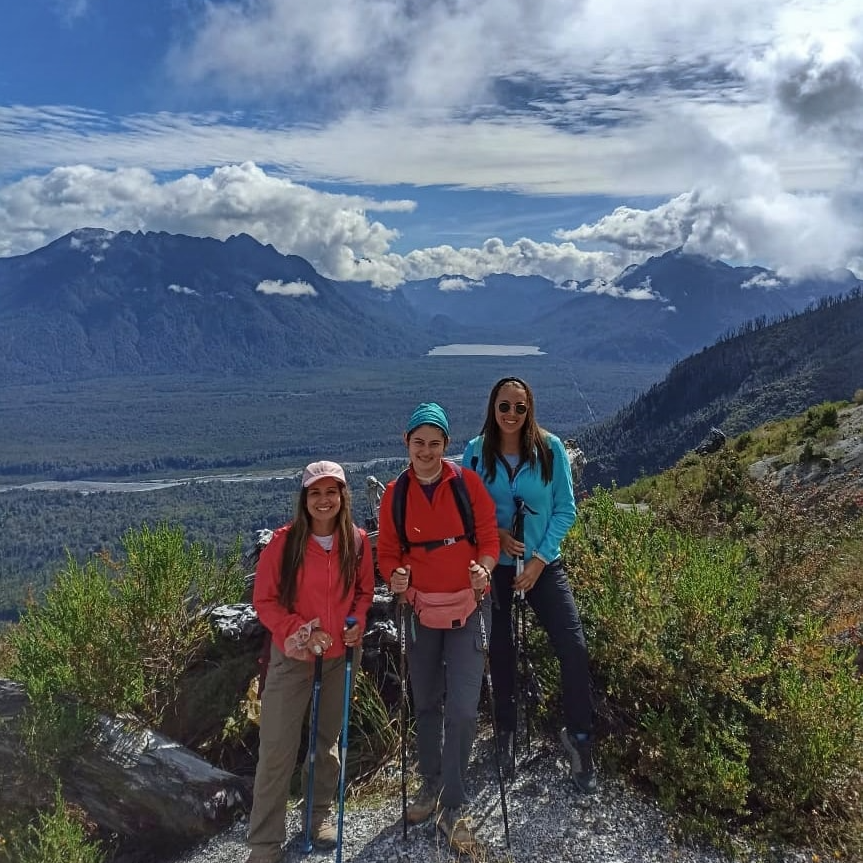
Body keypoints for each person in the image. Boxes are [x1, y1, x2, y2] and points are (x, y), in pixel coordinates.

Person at [463, 377, 597, 793]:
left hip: (543, 565)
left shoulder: (550, 449)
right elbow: (466, 508)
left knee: (573, 648)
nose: (511, 415)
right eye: (504, 407)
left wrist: (540, 559)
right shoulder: (474, 452)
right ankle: (505, 732)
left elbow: (565, 509)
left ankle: (579, 738)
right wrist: (497, 536)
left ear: (529, 410)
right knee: (500, 652)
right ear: (493, 407)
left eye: (519, 408)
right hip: (496, 568)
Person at [376, 402, 500, 852]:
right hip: (420, 611)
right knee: (425, 702)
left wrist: (485, 570)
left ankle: (453, 801)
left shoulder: (466, 484)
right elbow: (387, 552)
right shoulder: (396, 493)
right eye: (418, 442)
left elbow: (488, 536)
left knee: (463, 709)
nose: (426, 451)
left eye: (434, 443)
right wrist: (396, 578)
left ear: (446, 445)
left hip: (469, 608)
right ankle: (430, 785)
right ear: (406, 443)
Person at [246, 460, 375, 863]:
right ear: (304, 499)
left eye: (331, 492)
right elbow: (264, 601)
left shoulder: (355, 541)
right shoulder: (282, 545)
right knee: (277, 751)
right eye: (315, 493)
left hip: (339, 656)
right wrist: (300, 630)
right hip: (292, 659)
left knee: (326, 743)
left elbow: (363, 592)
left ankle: (317, 818)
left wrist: (356, 622)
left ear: (342, 496)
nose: (324, 500)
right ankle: (265, 844)